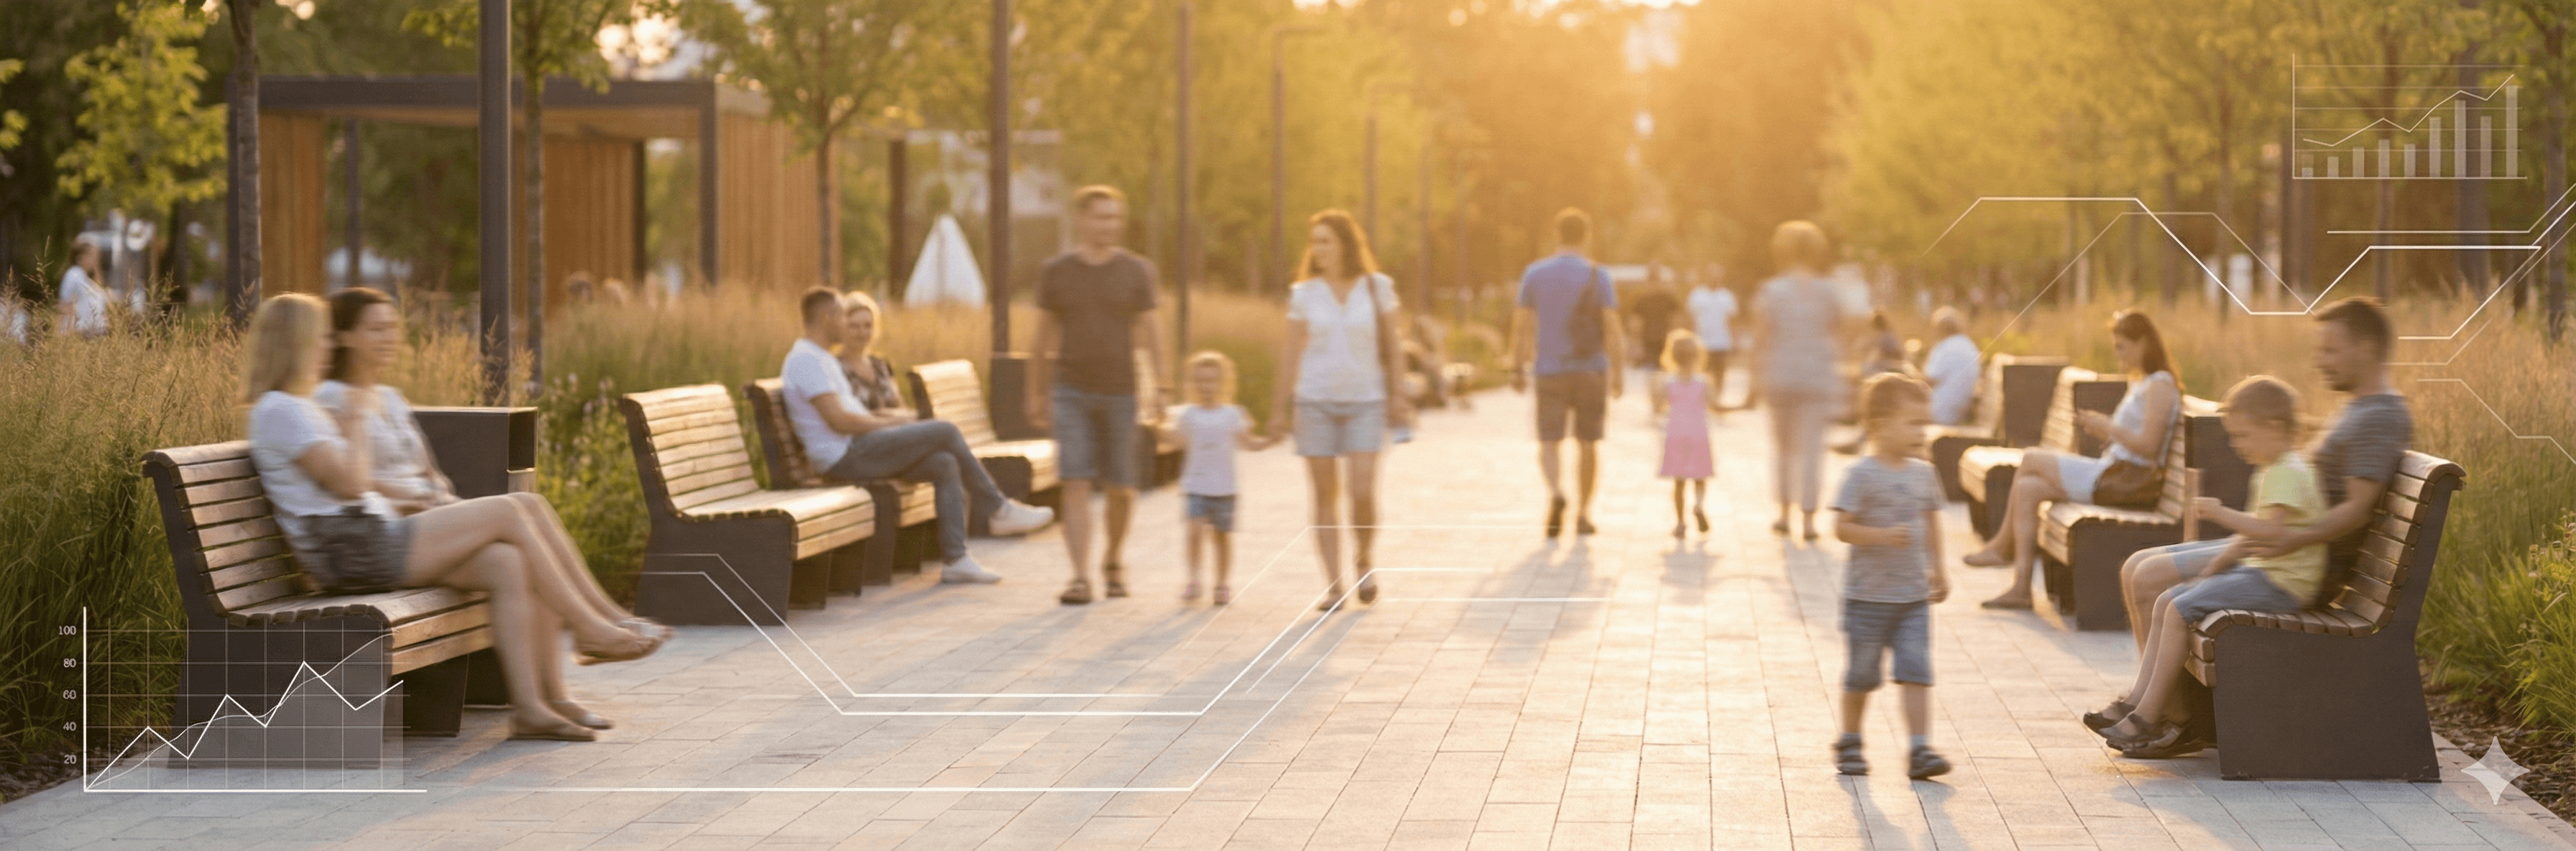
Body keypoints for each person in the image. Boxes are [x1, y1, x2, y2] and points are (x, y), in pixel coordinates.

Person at [241, 294, 663, 742]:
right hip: (353, 548)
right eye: (320, 338)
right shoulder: (280, 410)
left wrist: (367, 443)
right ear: (296, 343)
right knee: (517, 508)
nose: (328, 347)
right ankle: (591, 626)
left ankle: (534, 707)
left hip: (366, 539)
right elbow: (350, 484)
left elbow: (356, 482)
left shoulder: (299, 406)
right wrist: (357, 422)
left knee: (510, 563)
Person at [2110, 297, 2412, 651]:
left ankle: (2160, 688)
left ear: (2368, 349)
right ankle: (2158, 685)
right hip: (2276, 546)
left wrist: (2293, 540)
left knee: (2148, 577)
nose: (2320, 361)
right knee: (2136, 567)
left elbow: (2357, 509)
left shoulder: (2379, 417)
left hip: (2290, 563)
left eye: (2331, 351)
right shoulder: (2359, 408)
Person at [2089, 377, 2324, 758]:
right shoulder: (2275, 467)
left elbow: (2272, 532)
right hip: (2265, 573)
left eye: (2243, 436)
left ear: (2274, 428)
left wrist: (2220, 513)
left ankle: (2147, 715)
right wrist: (2218, 563)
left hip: (2281, 584)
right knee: (2168, 600)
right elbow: (2256, 536)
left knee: (2179, 608)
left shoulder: (2287, 472)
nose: (2236, 445)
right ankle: (2139, 701)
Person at [781, 288, 1056, 584]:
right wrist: (893, 427)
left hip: (857, 449)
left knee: (944, 463)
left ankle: (957, 560)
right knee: (945, 430)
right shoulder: (807, 360)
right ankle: (998, 508)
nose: (845, 322)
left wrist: (898, 421)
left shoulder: (820, 358)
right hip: (845, 456)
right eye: (841, 315)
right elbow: (841, 421)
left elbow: (853, 415)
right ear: (826, 317)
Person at [1964, 310, 2181, 609]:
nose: (2117, 354)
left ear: (2144, 343)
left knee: (2031, 458)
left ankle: (2001, 547)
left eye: (2122, 346)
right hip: (2114, 473)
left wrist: (2109, 428)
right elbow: (2135, 440)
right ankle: (2021, 588)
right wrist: (2105, 430)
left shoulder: (2160, 385)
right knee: (2028, 488)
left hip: (2125, 479)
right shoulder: (2145, 382)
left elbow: (2149, 446)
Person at [1031, 185, 1167, 605]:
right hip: (1070, 390)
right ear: (1081, 220)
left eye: (1116, 217)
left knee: (1120, 487)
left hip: (1120, 392)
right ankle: (1079, 576)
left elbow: (1152, 333)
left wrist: (1162, 387)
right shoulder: (1057, 271)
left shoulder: (1136, 271)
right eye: (1102, 217)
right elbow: (1041, 339)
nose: (1112, 225)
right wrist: (1035, 394)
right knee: (1074, 480)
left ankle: (1113, 558)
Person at [1270, 209, 1410, 610]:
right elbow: (1290, 353)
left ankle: (1364, 559)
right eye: (1314, 242)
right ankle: (1334, 587)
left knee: (1362, 491)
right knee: (1324, 495)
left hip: (1367, 400)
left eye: (1326, 241)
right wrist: (1278, 410)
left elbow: (1394, 347)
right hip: (1314, 402)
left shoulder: (1377, 287)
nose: (1319, 249)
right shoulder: (1305, 293)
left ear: (1346, 244)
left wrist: (1399, 396)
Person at [1828, 372, 1952, 780]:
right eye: (1913, 423)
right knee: (1862, 675)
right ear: (1881, 426)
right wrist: (1881, 536)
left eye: (1924, 423)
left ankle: (1919, 749)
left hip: (1912, 598)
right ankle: (1850, 739)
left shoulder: (1923, 473)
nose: (1922, 432)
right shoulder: (1861, 474)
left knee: (1917, 672)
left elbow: (1931, 519)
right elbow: (1842, 528)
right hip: (1867, 598)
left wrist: (1939, 567)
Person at [1507, 208, 1624, 538]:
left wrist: (1516, 367)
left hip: (1549, 370)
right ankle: (1584, 514)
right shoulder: (1598, 275)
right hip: (1591, 370)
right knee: (1588, 444)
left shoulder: (1535, 273)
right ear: (1587, 236)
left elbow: (1522, 326)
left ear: (1556, 234)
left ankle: (1557, 493)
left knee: (1549, 441)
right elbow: (1612, 329)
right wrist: (1618, 372)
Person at [1749, 221, 1850, 541]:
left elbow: (1760, 339)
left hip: (1780, 376)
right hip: (1817, 379)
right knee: (1812, 451)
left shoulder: (1771, 291)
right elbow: (1840, 331)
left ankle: (1783, 514)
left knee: (1783, 450)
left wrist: (1754, 380)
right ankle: (1808, 520)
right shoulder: (1828, 291)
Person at [1171, 351, 1275, 606]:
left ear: (1224, 383)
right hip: (1195, 486)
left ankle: (1221, 583)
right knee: (1194, 532)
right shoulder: (1188, 415)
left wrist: (1270, 440)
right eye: (1200, 381)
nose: (1207, 387)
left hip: (1225, 488)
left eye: (1212, 381)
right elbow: (1175, 441)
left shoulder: (1233, 414)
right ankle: (1194, 580)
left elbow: (1249, 443)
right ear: (1192, 384)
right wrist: (1155, 426)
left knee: (1222, 537)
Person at [1657, 330, 1721, 538]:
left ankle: (1680, 523)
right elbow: (1715, 407)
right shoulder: (1704, 381)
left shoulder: (1668, 382)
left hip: (1675, 435)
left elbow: (1659, 407)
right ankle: (1699, 505)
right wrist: (1741, 407)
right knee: (1700, 478)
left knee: (1679, 483)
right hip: (1699, 435)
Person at [1628, 271, 1685, 415]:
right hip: (1650, 342)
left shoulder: (1668, 299)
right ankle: (1656, 404)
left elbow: (1677, 320)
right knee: (1653, 374)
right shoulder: (1643, 300)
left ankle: (1662, 403)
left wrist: (1677, 339)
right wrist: (1636, 343)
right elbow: (1636, 323)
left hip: (1666, 342)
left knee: (1665, 374)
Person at [1685, 265, 1739, 410]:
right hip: (1701, 342)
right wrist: (1690, 340)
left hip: (1722, 342)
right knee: (1702, 374)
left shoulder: (1727, 296)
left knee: (1719, 374)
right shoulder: (1697, 295)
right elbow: (1690, 320)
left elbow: (1732, 321)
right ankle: (1702, 402)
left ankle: (1716, 401)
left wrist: (1735, 341)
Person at [1920, 308, 1981, 426]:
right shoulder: (1970, 346)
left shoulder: (1944, 347)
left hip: (1938, 411)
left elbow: (1928, 380)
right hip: (1958, 412)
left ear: (1940, 329)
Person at [58, 237, 109, 339]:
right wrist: (64, 334)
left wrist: (96, 267)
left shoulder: (86, 278)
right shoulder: (74, 274)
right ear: (81, 257)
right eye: (92, 255)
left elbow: (101, 289)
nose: (96, 260)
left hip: (94, 334)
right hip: (81, 334)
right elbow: (65, 304)